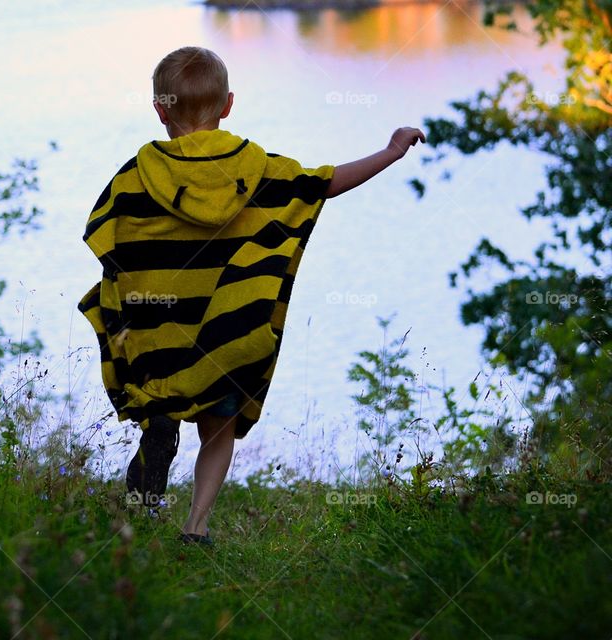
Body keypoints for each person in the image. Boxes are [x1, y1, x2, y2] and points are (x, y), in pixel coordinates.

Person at [77, 46, 425, 545]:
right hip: (229, 332)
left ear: (160, 110)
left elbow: (107, 237)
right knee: (219, 429)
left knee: (161, 393)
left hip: (163, 336)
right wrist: (390, 151)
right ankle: (195, 527)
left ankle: (160, 425)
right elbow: (322, 185)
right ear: (228, 104)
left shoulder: (137, 173)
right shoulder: (258, 169)